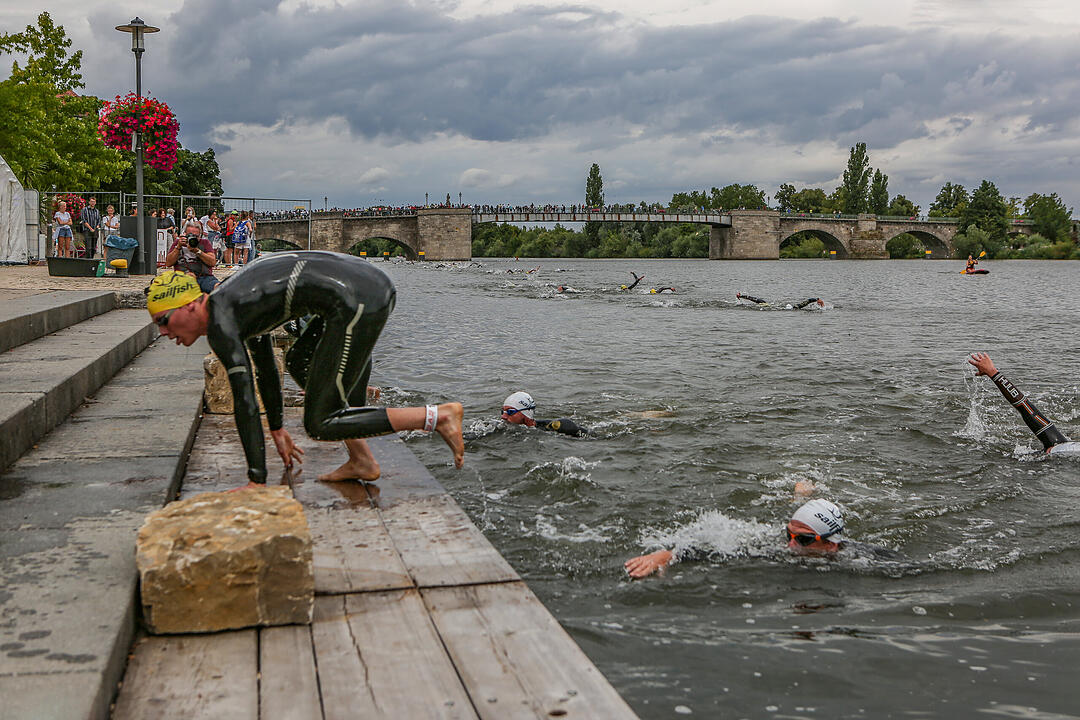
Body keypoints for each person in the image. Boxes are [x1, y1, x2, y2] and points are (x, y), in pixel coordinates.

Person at [145, 252, 465, 488]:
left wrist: (257, 481)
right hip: (361, 289)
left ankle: (437, 417)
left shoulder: (221, 321)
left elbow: (245, 400)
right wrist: (277, 429)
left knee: (320, 422)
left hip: (358, 298)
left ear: (190, 305)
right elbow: (268, 369)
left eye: (163, 320)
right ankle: (362, 460)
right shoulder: (232, 304)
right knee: (299, 363)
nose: (163, 332)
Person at [625, 497, 849, 579]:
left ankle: (800, 495)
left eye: (803, 540)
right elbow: (722, 552)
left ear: (830, 544)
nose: (790, 544)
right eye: (788, 534)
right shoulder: (777, 550)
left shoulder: (861, 560)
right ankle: (799, 496)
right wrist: (667, 555)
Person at [968, 352, 1079, 455]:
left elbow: (1025, 406)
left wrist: (993, 372)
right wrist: (992, 372)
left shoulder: (1060, 447)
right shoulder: (1062, 447)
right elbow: (1026, 407)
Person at [164, 219, 219, 293]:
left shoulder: (204, 243)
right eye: (189, 235)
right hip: (182, 278)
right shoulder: (178, 242)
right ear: (185, 234)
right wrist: (178, 247)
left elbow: (212, 262)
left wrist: (197, 251)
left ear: (200, 236)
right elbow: (168, 263)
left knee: (219, 287)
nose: (192, 238)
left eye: (196, 236)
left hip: (204, 277)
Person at [501, 391, 586, 437]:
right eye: (503, 411)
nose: (503, 416)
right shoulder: (499, 429)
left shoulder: (557, 427)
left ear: (526, 414)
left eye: (510, 412)